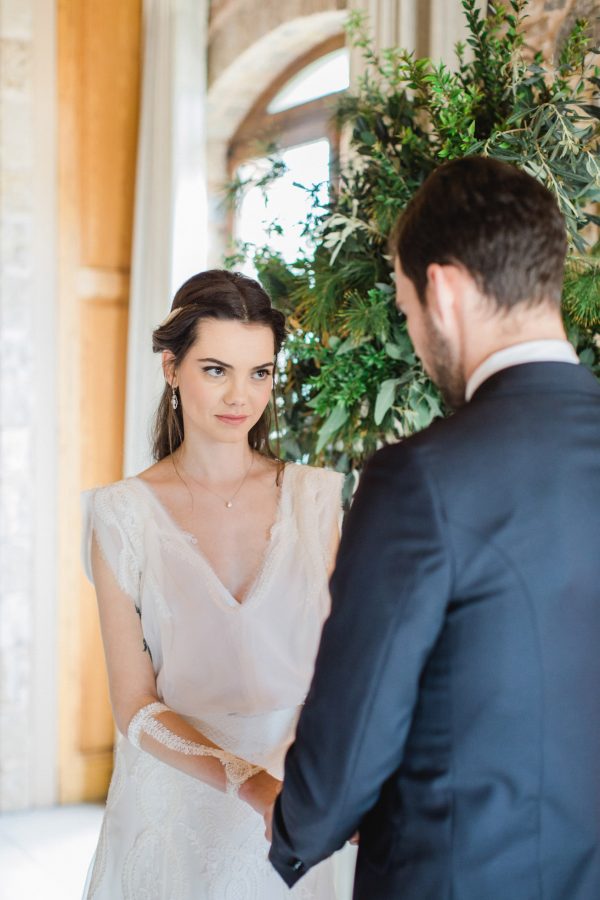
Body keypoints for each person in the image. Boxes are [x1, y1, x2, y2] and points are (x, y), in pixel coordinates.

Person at [267, 156, 600, 899]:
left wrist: (295, 823)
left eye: (405, 305)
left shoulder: (420, 480)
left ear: (442, 289)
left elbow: (348, 749)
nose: (413, 333)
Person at [81, 270, 346, 899]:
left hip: (298, 797)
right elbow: (135, 706)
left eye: (260, 372)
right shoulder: (122, 514)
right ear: (171, 368)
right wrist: (249, 784)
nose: (241, 396)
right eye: (216, 369)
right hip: (176, 809)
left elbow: (346, 666)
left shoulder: (314, 499)